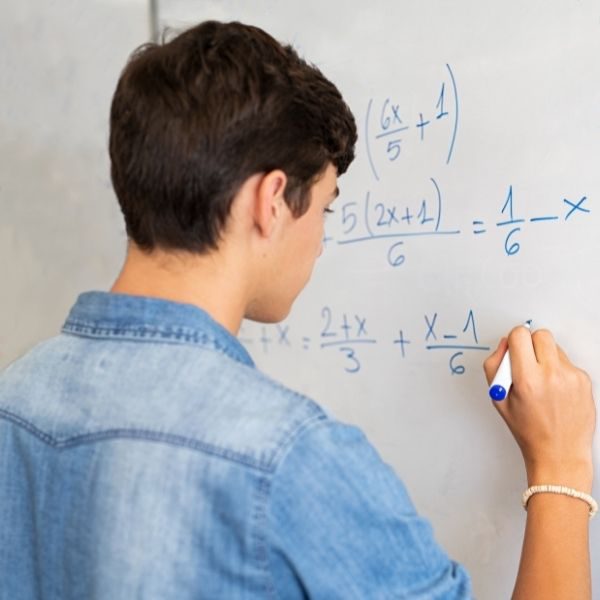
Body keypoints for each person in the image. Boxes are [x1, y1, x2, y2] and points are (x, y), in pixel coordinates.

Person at [0, 20, 595, 599]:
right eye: (326, 209)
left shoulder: (16, 398)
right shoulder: (290, 458)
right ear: (272, 201)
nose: (322, 240)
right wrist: (560, 466)